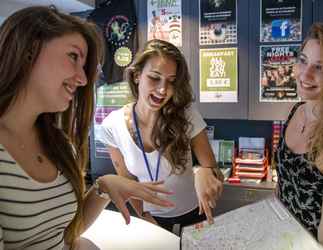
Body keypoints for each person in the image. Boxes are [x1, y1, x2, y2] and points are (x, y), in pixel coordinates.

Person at [0, 6, 174, 250]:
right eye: (73, 56)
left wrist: (104, 188)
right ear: (29, 51)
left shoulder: (59, 145)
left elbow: (62, 232)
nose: (82, 79)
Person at [100, 39, 224, 232]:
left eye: (171, 81)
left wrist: (203, 172)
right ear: (137, 76)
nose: (163, 90)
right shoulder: (112, 126)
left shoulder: (187, 114)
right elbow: (128, 185)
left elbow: (213, 171)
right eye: (155, 77)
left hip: (195, 215)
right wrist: (146, 218)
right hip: (150, 220)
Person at [274, 23, 323, 244]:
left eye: (320, 67)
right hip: (282, 235)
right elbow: (283, 183)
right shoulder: (295, 110)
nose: (305, 74)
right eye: (303, 60)